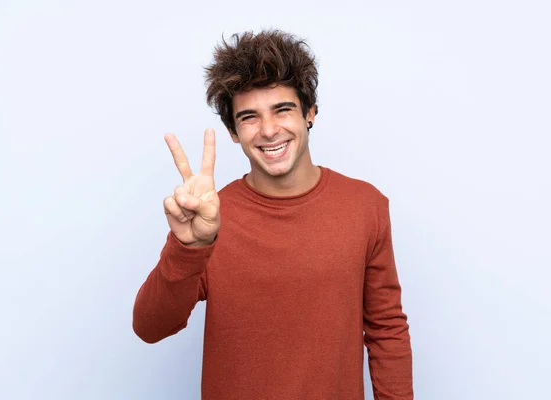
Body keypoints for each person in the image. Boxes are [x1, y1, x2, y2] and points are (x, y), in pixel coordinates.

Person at [132, 29, 413, 400]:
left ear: (309, 112)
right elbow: (150, 327)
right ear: (233, 132)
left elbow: (386, 329)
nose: (268, 130)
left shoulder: (366, 205)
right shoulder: (210, 219)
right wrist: (189, 247)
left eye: (282, 109)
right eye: (249, 117)